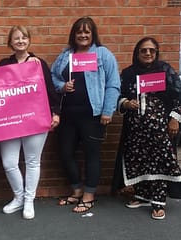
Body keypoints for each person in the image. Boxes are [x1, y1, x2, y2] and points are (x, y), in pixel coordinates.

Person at [51, 17, 121, 213]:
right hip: (68, 115)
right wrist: (62, 86)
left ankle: (89, 195)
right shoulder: (66, 55)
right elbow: (52, 76)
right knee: (65, 153)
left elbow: (113, 83)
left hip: (93, 114)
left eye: (87, 32)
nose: (82, 35)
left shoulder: (102, 54)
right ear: (74, 35)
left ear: (93, 34)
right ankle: (76, 189)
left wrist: (108, 110)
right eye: (79, 32)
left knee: (92, 155)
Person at [0, 25, 61, 220]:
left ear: (29, 40)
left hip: (35, 118)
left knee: (33, 161)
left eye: (24, 37)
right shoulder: (3, 64)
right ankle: (18, 197)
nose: (20, 41)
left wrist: (56, 113)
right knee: (9, 162)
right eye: (16, 38)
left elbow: (51, 90)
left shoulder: (38, 63)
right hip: (9, 120)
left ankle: (29, 200)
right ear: (10, 42)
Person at [115, 37, 181, 220]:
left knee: (159, 161)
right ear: (137, 53)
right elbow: (117, 94)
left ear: (156, 52)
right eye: (143, 50)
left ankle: (158, 202)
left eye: (151, 50)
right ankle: (142, 195)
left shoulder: (165, 70)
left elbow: (178, 96)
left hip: (159, 128)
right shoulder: (128, 73)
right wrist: (126, 103)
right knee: (138, 160)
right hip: (135, 129)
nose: (147, 53)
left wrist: (175, 119)